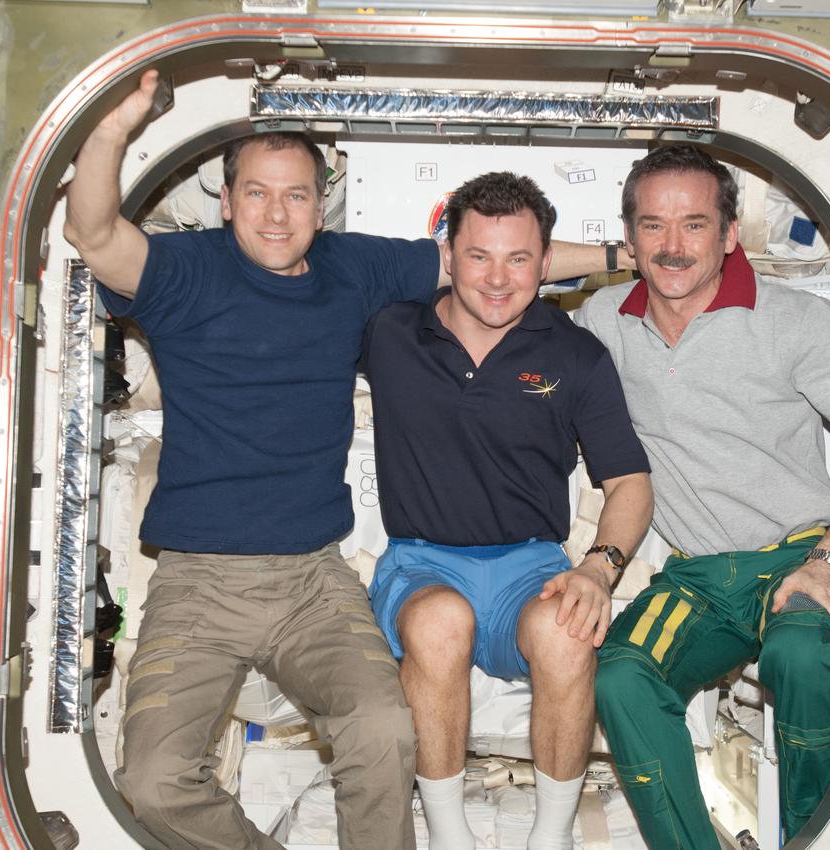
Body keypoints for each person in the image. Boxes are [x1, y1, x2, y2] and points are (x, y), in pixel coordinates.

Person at [63, 72, 623, 850]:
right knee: (153, 784)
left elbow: (486, 261)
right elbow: (92, 235)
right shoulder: (183, 272)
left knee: (385, 733)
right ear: (225, 201)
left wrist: (629, 252)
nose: (276, 213)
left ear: (320, 205)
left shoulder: (352, 267)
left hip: (311, 582)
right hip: (197, 582)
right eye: (256, 193)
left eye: (296, 195)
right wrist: (108, 130)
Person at [361, 171, 654, 850]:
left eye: (519, 258)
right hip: (420, 563)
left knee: (566, 630)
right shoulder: (388, 331)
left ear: (547, 265)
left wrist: (598, 570)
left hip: (528, 565)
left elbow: (631, 482)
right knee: (438, 623)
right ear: (447, 256)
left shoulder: (574, 353)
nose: (498, 278)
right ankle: (448, 834)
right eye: (479, 256)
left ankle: (551, 836)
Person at [575, 144, 830, 849]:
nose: (672, 247)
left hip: (798, 557)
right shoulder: (604, 321)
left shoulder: (794, 321)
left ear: (729, 235)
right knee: (622, 679)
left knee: (799, 659)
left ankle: (809, 837)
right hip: (699, 575)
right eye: (651, 226)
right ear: (628, 237)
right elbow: (504, 280)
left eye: (694, 225)